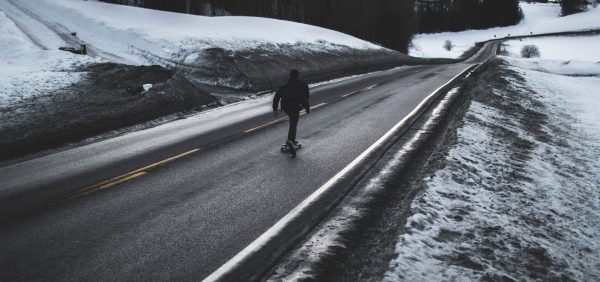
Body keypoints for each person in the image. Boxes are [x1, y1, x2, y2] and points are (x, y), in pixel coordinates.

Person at [273, 69, 310, 157]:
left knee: (293, 121)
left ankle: (291, 140)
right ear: (298, 75)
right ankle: (290, 141)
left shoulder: (285, 85)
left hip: (285, 106)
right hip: (295, 106)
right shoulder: (301, 85)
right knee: (293, 122)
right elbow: (304, 97)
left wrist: (275, 109)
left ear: (290, 75)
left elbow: (277, 96)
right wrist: (307, 107)